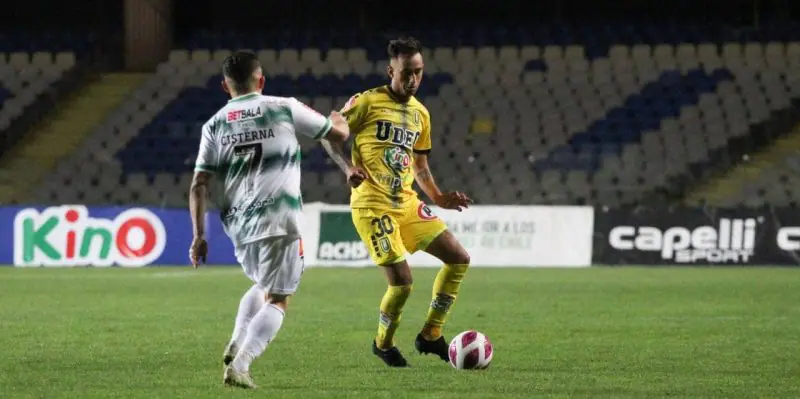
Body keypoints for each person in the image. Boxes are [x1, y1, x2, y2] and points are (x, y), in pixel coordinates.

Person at [188, 51, 350, 388]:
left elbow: (198, 184)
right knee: (279, 298)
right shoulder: (282, 106)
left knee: (264, 284)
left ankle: (236, 341)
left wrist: (198, 236)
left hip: (239, 227)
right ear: (261, 80)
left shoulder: (214, 125)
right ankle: (241, 364)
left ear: (224, 86)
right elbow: (336, 135)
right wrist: (341, 118)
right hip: (280, 219)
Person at [320, 37, 473, 367]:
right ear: (392, 70)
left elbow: (420, 165)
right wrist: (348, 167)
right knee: (403, 284)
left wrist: (439, 197)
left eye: (419, 73)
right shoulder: (367, 102)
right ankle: (383, 343)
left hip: (405, 203)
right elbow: (327, 133)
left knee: (459, 258)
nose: (413, 80)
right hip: (372, 206)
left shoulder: (421, 114)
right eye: (407, 73)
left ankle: (431, 335)